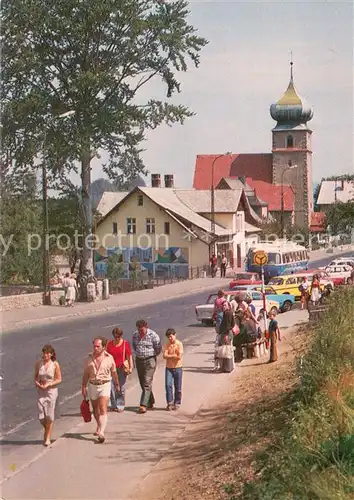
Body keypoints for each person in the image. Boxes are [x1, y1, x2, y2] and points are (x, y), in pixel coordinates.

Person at [82, 336, 120, 443]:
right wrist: (83, 386)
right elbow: (85, 374)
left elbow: (114, 372)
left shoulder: (109, 358)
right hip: (92, 385)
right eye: (94, 346)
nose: (95, 348)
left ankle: (102, 432)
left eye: (98, 346)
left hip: (105, 384)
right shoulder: (89, 358)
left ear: (103, 347)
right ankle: (99, 425)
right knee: (95, 408)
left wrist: (117, 384)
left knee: (103, 408)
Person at [34, 345, 62, 446]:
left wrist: (49, 384)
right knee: (41, 416)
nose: (45, 355)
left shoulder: (55, 364)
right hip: (41, 391)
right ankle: (47, 429)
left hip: (51, 391)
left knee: (49, 415)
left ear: (51, 354)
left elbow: (59, 379)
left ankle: (48, 438)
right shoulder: (38, 363)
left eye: (47, 353)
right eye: (44, 353)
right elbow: (35, 377)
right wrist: (38, 384)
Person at [132, 319, 162, 414]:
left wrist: (152, 355)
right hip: (139, 360)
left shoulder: (153, 336)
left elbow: (158, 348)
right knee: (142, 382)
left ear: (146, 327)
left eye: (142, 330)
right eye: (139, 330)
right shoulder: (135, 335)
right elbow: (135, 346)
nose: (140, 332)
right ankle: (150, 400)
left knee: (147, 382)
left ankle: (143, 405)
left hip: (150, 360)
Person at [106, 328, 133, 413]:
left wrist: (131, 367)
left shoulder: (125, 344)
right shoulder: (109, 344)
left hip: (121, 368)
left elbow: (129, 356)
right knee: (111, 387)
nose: (116, 338)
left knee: (121, 387)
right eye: (115, 336)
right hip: (111, 369)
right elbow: (106, 355)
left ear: (121, 335)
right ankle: (113, 405)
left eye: (118, 336)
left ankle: (120, 405)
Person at [163, 328, 183, 410]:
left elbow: (179, 357)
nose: (170, 339)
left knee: (178, 387)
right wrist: (173, 356)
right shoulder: (167, 344)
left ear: (175, 335)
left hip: (178, 368)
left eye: (171, 336)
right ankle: (170, 403)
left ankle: (177, 402)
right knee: (168, 385)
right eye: (168, 337)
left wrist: (170, 356)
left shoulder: (179, 344)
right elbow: (164, 356)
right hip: (169, 368)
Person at [213, 290, 227, 370]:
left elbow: (214, 310)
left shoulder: (216, 301)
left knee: (217, 341)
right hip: (223, 323)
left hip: (218, 320)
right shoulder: (224, 301)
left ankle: (217, 364)